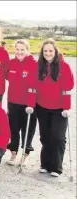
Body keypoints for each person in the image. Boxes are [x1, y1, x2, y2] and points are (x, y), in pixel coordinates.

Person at [34, 39, 74, 177]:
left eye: (50, 51)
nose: (48, 53)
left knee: (57, 137)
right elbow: (34, 87)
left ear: (55, 51)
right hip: (42, 107)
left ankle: (56, 167)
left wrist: (67, 108)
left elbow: (67, 89)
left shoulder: (64, 66)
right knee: (45, 137)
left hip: (59, 109)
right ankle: (45, 164)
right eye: (45, 51)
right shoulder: (39, 66)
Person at [6, 39, 38, 166]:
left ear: (27, 50)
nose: (19, 52)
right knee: (13, 129)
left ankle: (25, 155)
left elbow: (34, 85)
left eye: (22, 49)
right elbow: (6, 76)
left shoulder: (33, 64)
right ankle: (13, 154)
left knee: (27, 130)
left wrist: (31, 104)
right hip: (13, 101)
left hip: (28, 103)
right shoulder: (11, 63)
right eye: (17, 49)